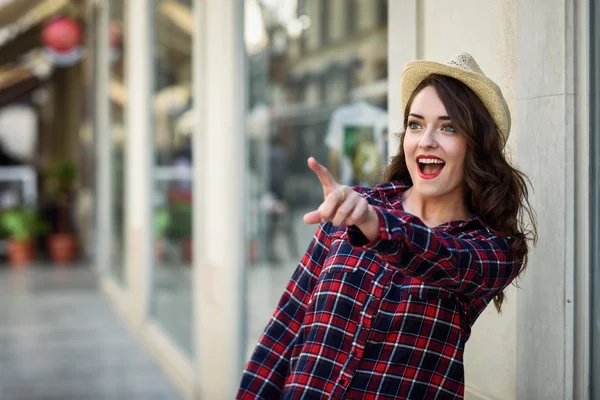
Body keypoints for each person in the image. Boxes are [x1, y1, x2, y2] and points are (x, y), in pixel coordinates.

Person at [237, 53, 537, 399]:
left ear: (476, 146)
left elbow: (448, 259)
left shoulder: (492, 249)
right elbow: (285, 329)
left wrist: (376, 225)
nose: (426, 140)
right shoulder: (355, 207)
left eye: (448, 126)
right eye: (415, 124)